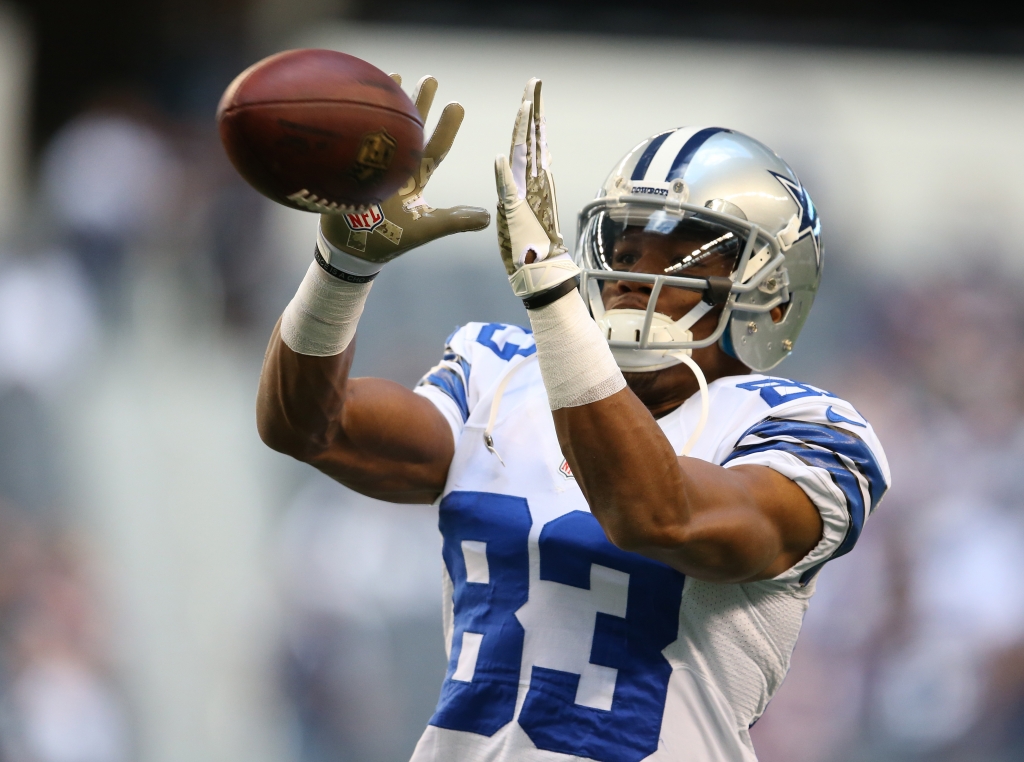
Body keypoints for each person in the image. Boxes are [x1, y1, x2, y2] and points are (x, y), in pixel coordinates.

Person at [257, 75, 890, 762]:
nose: (630, 278)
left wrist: (552, 303)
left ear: (770, 294)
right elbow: (306, 426)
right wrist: (340, 268)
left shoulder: (809, 433)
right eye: (622, 252)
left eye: (679, 256)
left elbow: (655, 514)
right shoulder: (500, 372)